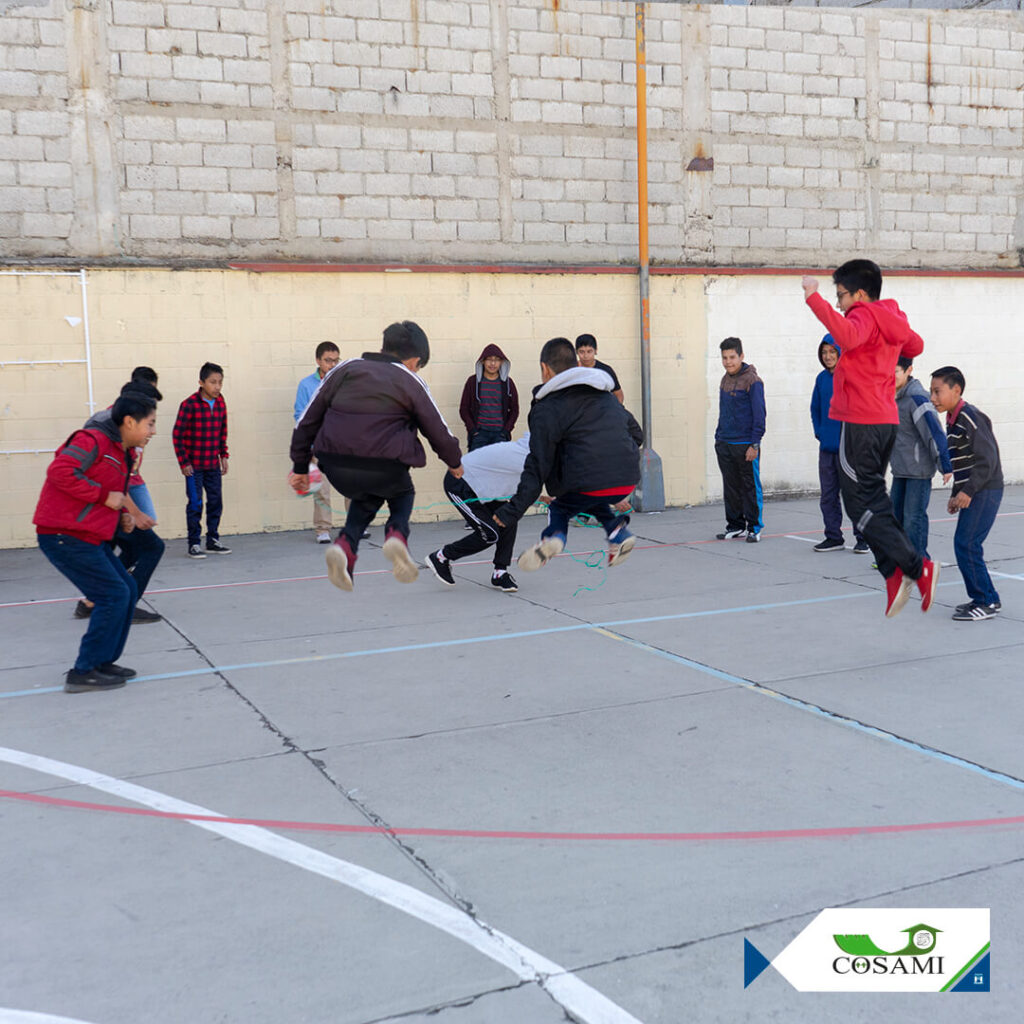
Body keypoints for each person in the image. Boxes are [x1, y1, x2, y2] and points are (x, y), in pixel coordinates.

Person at [803, 260, 936, 617]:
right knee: (873, 500)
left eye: (841, 296)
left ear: (860, 294)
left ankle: (916, 567)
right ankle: (894, 575)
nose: (839, 304)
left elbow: (846, 337)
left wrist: (813, 297)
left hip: (860, 421)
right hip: (884, 420)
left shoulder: (862, 315)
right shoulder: (890, 317)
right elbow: (916, 343)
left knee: (858, 505)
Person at [289, 321, 463, 592]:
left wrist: (300, 465)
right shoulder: (410, 379)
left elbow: (307, 420)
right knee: (402, 492)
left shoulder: (344, 368)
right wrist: (454, 462)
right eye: (418, 366)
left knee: (367, 497)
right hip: (386, 466)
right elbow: (436, 428)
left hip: (335, 465)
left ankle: (346, 547)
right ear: (415, 360)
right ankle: (396, 535)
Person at [34, 392, 157, 692]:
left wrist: (122, 515)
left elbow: (113, 493)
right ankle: (83, 671)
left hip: (89, 534)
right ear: (130, 422)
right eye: (150, 423)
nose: (153, 431)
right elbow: (60, 471)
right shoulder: (92, 440)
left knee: (126, 589)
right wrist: (103, 497)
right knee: (113, 594)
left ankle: (103, 662)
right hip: (62, 534)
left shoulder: (123, 453)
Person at [492, 337, 642, 571]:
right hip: (627, 479)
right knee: (590, 496)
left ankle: (554, 536)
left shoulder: (547, 408)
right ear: (576, 364)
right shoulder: (606, 397)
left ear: (544, 369)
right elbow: (637, 435)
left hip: (587, 480)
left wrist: (513, 510)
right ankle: (617, 532)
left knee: (560, 506)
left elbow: (538, 464)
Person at [76, 376, 166, 624]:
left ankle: (95, 600)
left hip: (109, 500)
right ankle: (123, 606)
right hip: (99, 504)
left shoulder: (113, 423)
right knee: (151, 547)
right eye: (149, 418)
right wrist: (134, 512)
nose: (152, 428)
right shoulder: (108, 430)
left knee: (130, 547)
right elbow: (106, 478)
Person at [930, 366, 1004, 621]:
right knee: (965, 543)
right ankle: (983, 597)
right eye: (932, 392)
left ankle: (987, 601)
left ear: (956, 390)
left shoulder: (970, 416)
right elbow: (962, 463)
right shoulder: (952, 419)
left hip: (986, 489)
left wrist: (969, 491)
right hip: (975, 489)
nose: (933, 398)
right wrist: (956, 493)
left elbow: (987, 459)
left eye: (938, 392)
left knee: (967, 544)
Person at [425, 434, 530, 593]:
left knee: (508, 518)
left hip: (485, 488)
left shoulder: (531, 454)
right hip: (461, 485)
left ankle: (500, 573)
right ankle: (441, 557)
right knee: (489, 534)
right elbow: (530, 486)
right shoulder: (523, 456)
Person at [891, 356, 953, 560]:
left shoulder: (917, 399)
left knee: (913, 518)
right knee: (895, 516)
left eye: (895, 371)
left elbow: (934, 432)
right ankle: (898, 558)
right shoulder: (891, 397)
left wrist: (945, 464)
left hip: (918, 471)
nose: (890, 376)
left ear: (909, 370)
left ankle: (920, 560)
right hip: (900, 469)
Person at [810, 336, 867, 553]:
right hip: (827, 448)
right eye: (824, 352)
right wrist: (820, 433)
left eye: (832, 352)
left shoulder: (852, 377)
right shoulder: (821, 379)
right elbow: (815, 408)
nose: (828, 356)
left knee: (854, 495)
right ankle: (833, 537)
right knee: (828, 496)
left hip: (849, 450)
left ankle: (863, 538)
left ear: (841, 352)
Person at [172, 361, 231, 559]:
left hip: (212, 464)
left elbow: (222, 432)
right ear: (201, 382)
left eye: (220, 382)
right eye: (213, 382)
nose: (217, 387)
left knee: (215, 502)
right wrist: (184, 462)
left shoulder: (221, 402)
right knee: (195, 504)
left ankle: (212, 540)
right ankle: (194, 543)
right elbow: (177, 435)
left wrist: (223, 456)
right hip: (194, 466)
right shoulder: (189, 404)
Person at [714, 337, 766, 542]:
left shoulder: (753, 381)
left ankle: (754, 527)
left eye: (732, 357)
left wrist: (755, 444)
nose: (728, 362)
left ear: (741, 356)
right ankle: (735, 525)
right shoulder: (724, 379)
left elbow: (760, 415)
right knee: (731, 487)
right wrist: (719, 438)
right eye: (724, 358)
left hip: (745, 445)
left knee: (750, 487)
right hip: (725, 443)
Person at [294, 342, 341, 543]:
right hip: (319, 446)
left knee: (354, 487)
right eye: (328, 360)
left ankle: (356, 525)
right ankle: (323, 529)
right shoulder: (306, 385)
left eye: (336, 360)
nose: (332, 364)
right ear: (318, 361)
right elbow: (300, 415)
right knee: (322, 490)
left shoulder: (344, 382)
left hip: (344, 445)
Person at [459, 343, 519, 450]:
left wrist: (506, 431)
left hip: (500, 435)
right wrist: (473, 430)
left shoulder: (508, 383)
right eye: (489, 359)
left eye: (496, 360)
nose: (493, 363)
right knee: (475, 461)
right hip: (479, 435)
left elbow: (515, 410)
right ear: (483, 361)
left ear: (501, 362)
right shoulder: (473, 382)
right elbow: (464, 409)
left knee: (499, 461)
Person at [575, 333, 623, 403]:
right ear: (576, 352)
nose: (585, 356)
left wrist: (615, 409)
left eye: (589, 351)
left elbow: (619, 395)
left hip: (600, 408)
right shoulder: (571, 370)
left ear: (595, 351)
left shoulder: (605, 370)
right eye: (581, 352)